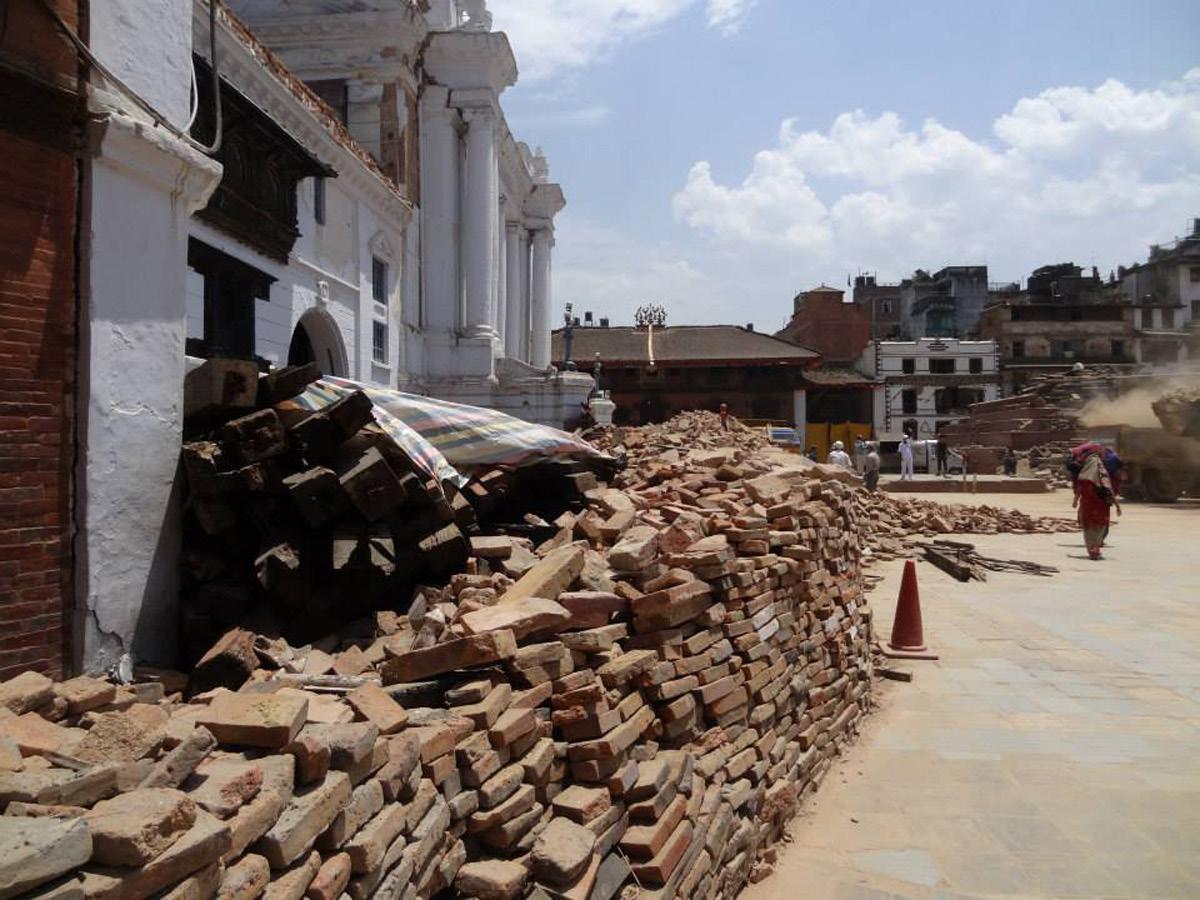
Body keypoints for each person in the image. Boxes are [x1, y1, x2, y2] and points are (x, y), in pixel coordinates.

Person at [1071, 444, 1120, 560]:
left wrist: (1075, 501)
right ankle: (1096, 548)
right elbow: (1109, 489)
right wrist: (1117, 505)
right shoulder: (1102, 473)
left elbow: (1079, 489)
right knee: (1099, 527)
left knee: (1089, 529)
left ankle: (1092, 549)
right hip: (1101, 507)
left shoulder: (1084, 475)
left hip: (1087, 507)